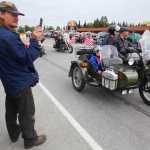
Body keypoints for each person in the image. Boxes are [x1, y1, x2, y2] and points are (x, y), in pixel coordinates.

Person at [0, 1, 46, 149]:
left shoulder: (5, 34)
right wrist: (34, 41)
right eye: (13, 14)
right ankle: (30, 139)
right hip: (19, 80)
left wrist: (24, 44)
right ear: (1, 14)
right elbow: (26, 57)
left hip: (9, 80)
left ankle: (14, 133)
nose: (17, 18)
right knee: (27, 112)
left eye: (17, 15)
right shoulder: (6, 36)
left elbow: (15, 53)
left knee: (12, 109)